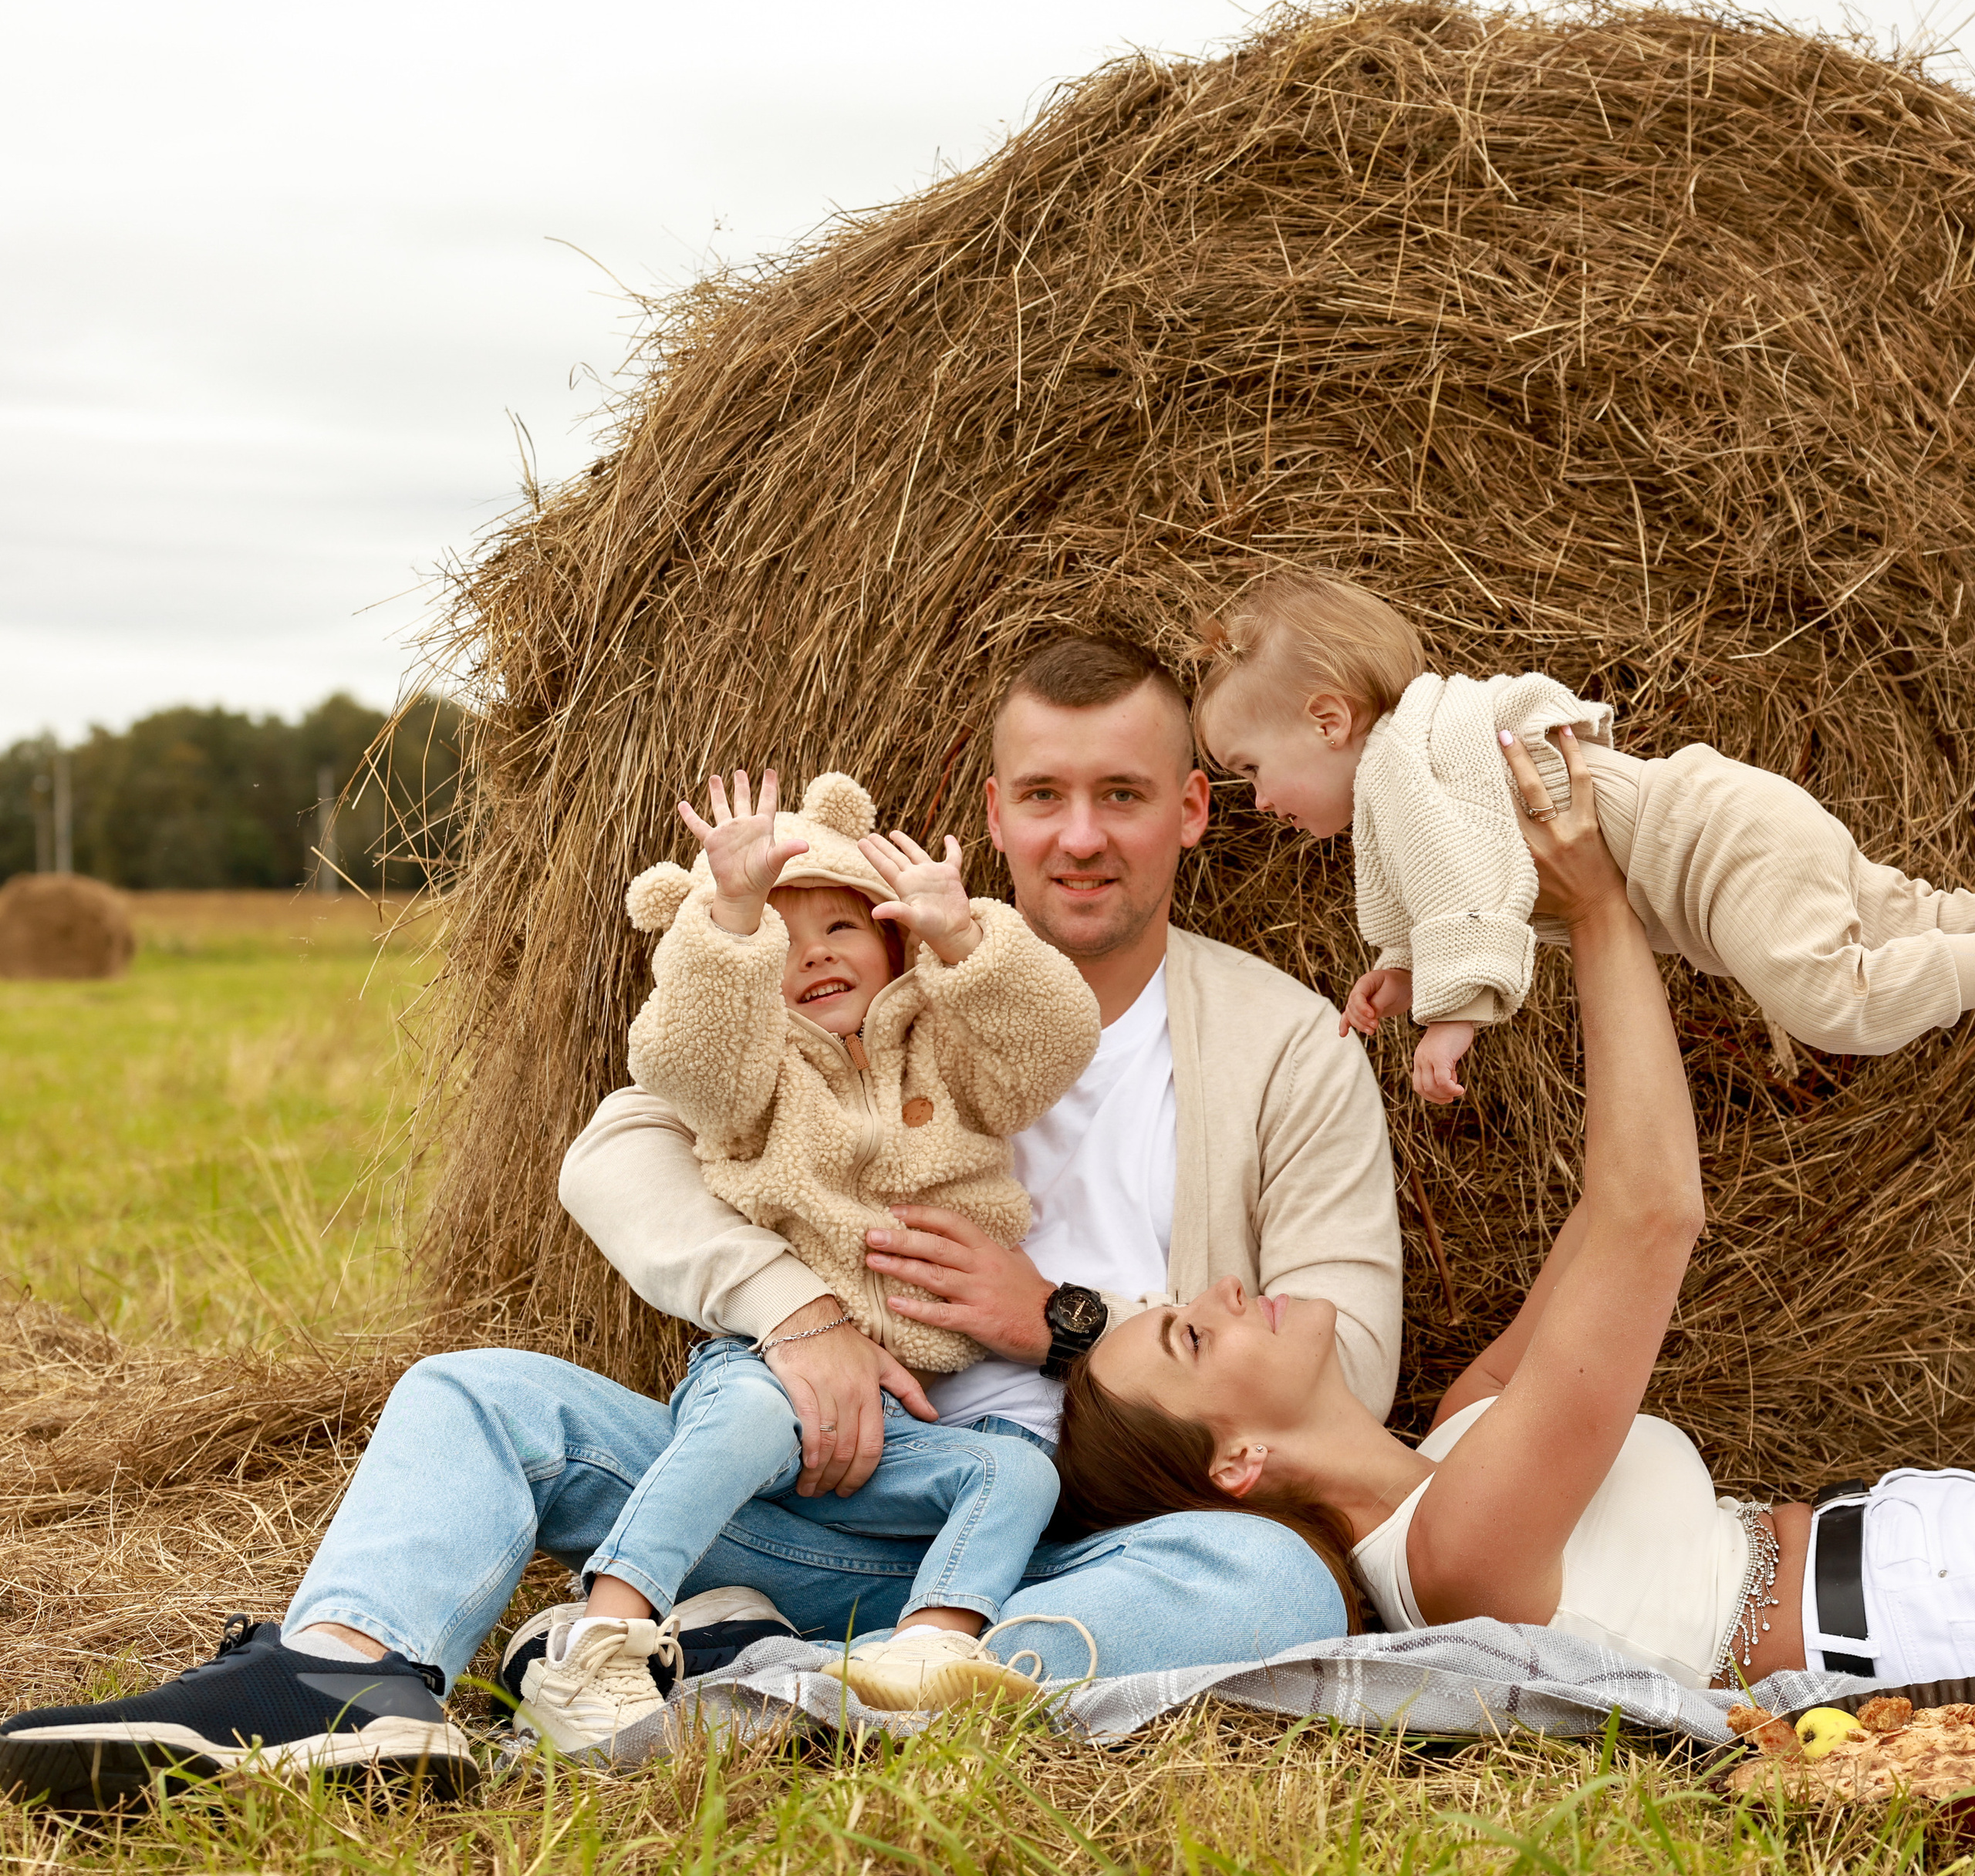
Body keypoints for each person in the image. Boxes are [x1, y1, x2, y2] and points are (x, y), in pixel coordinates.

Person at [0, 634, 1404, 1808]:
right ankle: (348, 1678)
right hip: (810, 1488)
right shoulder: (863, 976)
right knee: (474, 1399)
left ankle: (789, 1687)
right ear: (993, 812)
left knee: (1268, 1575)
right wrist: (800, 1318)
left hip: (1065, 1544)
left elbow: (1353, 1372)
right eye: (1045, 795)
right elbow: (614, 1155)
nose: (1081, 836)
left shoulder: (1282, 1048)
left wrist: (1059, 1328)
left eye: (1123, 795)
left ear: (1193, 812)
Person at [1055, 726, 1975, 1695]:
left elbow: (1617, 1192)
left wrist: (1559, 881)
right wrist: (1595, 911)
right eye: (1192, 1339)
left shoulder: (1463, 1427)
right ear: (1237, 1463)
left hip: (1915, 1535)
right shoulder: (1453, 1559)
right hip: (1911, 1623)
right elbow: (1653, 1216)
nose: (1226, 1289)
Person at [551, 761, 1097, 1722]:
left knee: (1020, 1471)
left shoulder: (949, 1052)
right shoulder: (750, 1080)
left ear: (891, 937)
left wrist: (963, 936)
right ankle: (604, 1632)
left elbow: (1053, 1043)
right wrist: (729, 917)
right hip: (775, 1370)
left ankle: (929, 1646)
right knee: (752, 1418)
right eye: (779, 939)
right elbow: (680, 1057)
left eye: (841, 925)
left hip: (906, 1422)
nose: (810, 956)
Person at [1192, 569, 1975, 1105]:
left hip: (1721, 846)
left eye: (1251, 768)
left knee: (1833, 1008)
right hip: (1730, 819)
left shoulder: (1403, 766)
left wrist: (1451, 1016)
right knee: (1913, 923)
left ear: (1328, 722)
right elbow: (1447, 871)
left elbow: (1464, 880)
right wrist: (1402, 969)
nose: (1257, 802)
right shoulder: (1417, 764)